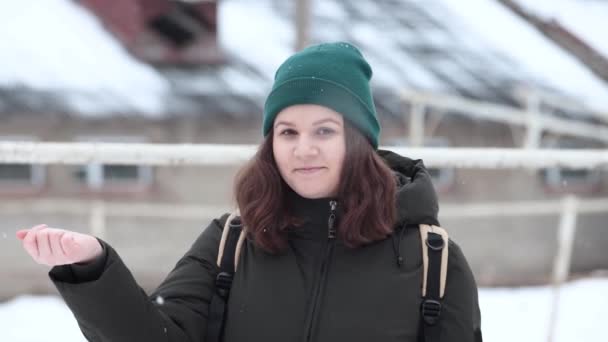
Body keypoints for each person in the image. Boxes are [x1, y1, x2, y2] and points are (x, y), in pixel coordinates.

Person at [17, 42, 482, 342]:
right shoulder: (230, 243)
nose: (303, 149)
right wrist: (94, 268)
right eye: (287, 132)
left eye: (324, 131)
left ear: (359, 141)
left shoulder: (433, 261)